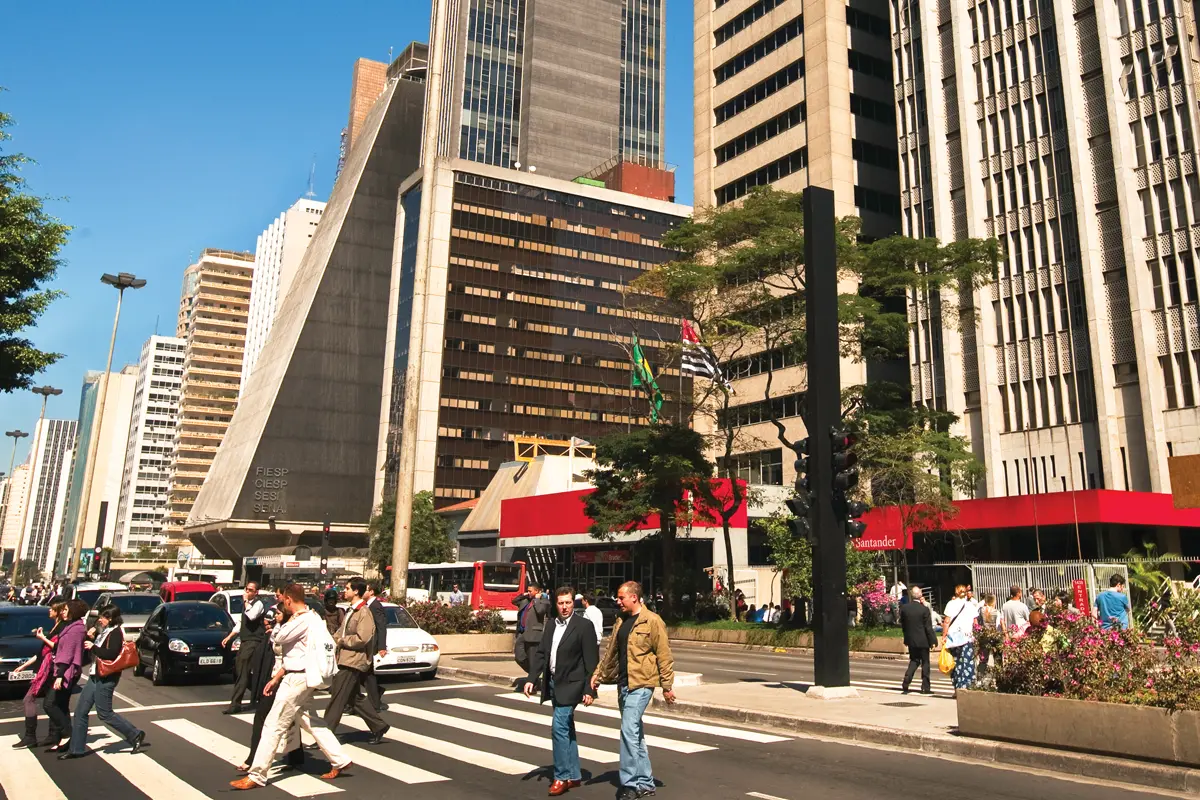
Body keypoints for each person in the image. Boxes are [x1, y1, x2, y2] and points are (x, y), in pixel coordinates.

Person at [231, 584, 351, 791]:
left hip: (296, 678)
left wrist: (283, 623)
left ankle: (257, 774)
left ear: (288, 600)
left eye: (283, 602)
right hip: (300, 676)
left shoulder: (303, 620)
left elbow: (279, 638)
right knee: (309, 719)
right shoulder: (313, 618)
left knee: (273, 724)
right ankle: (339, 759)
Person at [591, 581, 675, 800]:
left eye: (621, 598)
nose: (617, 601)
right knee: (635, 735)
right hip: (623, 684)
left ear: (634, 598)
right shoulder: (621, 620)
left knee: (628, 731)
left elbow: (664, 655)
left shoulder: (653, 621)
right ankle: (646, 782)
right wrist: (598, 675)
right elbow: (611, 652)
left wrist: (667, 686)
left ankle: (629, 784)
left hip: (642, 684)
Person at [524, 586, 599, 796]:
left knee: (558, 728)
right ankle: (574, 774)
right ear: (555, 604)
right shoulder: (551, 625)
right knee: (567, 729)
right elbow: (541, 654)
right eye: (561, 603)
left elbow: (591, 661)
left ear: (573, 603)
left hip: (573, 685)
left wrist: (589, 690)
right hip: (554, 683)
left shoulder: (584, 626)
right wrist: (532, 679)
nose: (565, 607)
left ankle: (561, 776)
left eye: (568, 602)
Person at [60, 604, 145, 759]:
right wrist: (90, 638)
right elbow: (96, 650)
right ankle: (76, 749)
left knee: (104, 713)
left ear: (111, 618)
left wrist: (93, 647)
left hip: (107, 677)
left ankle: (135, 734)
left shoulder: (116, 633)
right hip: (95, 674)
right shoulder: (105, 631)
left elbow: (111, 654)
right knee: (80, 712)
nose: (100, 620)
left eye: (103, 617)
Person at [238, 601, 304, 773]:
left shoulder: (290, 632)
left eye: (278, 614)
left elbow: (289, 658)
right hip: (276, 677)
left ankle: (254, 759)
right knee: (292, 718)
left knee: (264, 717)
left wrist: (275, 679)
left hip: (284, 678)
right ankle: (297, 756)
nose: (275, 616)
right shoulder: (278, 630)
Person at [323, 579, 389, 744]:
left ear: (356, 592)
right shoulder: (351, 610)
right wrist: (332, 640)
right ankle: (378, 725)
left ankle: (324, 735)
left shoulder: (363, 612)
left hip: (352, 660)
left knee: (337, 697)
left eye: (347, 589)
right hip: (344, 658)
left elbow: (363, 638)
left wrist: (343, 641)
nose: (344, 592)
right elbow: (340, 632)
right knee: (353, 698)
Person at [12, 602, 66, 749]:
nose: (49, 610)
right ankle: (50, 735)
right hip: (44, 669)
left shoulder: (62, 628)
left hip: (50, 670)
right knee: (50, 703)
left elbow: (57, 648)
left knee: (31, 699)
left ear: (58, 611)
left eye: (52, 608)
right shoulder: (54, 627)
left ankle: (34, 736)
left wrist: (42, 638)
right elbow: (40, 653)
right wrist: (23, 666)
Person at [42, 599, 88, 752]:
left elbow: (67, 654)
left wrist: (60, 676)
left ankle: (68, 732)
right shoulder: (72, 626)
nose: (63, 611)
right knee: (61, 705)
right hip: (64, 670)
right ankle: (63, 740)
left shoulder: (76, 630)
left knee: (49, 703)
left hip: (66, 672)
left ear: (73, 611)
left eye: (66, 609)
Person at [224, 582, 267, 715]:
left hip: (253, 641)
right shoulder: (246, 606)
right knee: (239, 671)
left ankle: (235, 703)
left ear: (256, 592)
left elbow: (251, 616)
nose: (247, 592)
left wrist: (246, 603)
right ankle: (259, 694)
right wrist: (229, 637)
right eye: (246, 589)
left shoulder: (257, 604)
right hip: (244, 640)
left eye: (251, 590)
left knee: (243, 670)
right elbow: (241, 623)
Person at [900, 587, 937, 694]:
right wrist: (933, 641)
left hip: (911, 640)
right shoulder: (924, 609)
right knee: (925, 663)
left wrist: (907, 637)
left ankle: (907, 679)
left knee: (914, 660)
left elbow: (904, 625)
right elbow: (928, 627)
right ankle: (925, 687)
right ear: (920, 595)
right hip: (923, 640)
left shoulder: (905, 608)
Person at [942, 584, 977, 695]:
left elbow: (947, 621)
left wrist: (944, 635)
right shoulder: (970, 605)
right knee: (966, 662)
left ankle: (957, 687)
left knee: (956, 663)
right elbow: (975, 622)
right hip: (967, 637)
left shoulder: (950, 604)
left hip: (953, 638)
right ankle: (965, 686)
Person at [362, 583, 388, 713]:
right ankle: (376, 694)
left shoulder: (375, 606)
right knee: (365, 674)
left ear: (371, 592)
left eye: (365, 590)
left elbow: (381, 627)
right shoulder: (367, 606)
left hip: (372, 644)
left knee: (366, 673)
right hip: (367, 644)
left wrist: (382, 646)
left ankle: (375, 701)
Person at [514, 582, 550, 674]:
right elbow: (514, 601)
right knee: (519, 657)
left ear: (537, 591)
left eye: (530, 591)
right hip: (522, 633)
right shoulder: (526, 600)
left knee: (532, 660)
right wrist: (523, 595)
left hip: (533, 634)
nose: (528, 593)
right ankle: (534, 673)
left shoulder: (544, 601)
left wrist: (537, 599)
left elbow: (540, 611)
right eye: (527, 591)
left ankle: (533, 678)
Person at [977, 593, 1001, 674]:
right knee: (997, 657)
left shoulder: (980, 611)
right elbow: (998, 625)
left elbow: (978, 622)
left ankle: (980, 677)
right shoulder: (996, 612)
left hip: (984, 636)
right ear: (994, 601)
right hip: (994, 636)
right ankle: (998, 676)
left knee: (983, 658)